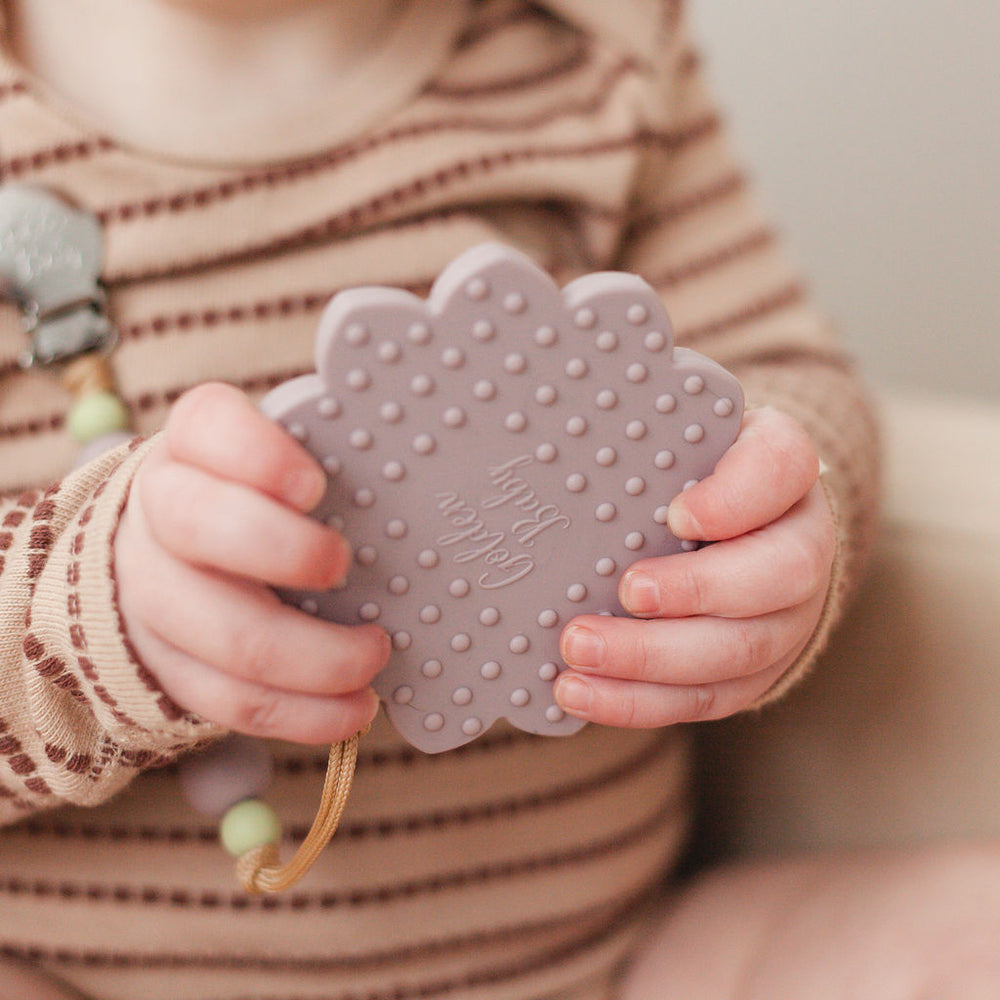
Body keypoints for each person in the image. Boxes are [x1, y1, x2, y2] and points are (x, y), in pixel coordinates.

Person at [6, 0, 970, 997]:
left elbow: (776, 375)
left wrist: (781, 511)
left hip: (611, 961)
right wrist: (95, 614)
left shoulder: (592, 58)